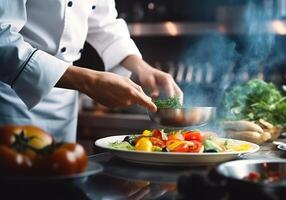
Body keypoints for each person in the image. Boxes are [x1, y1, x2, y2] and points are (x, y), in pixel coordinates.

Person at [0, 0, 183, 142]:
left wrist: (142, 68)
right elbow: (3, 39)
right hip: (11, 96)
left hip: (64, 105)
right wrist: (89, 81)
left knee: (60, 179)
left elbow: (104, 23)